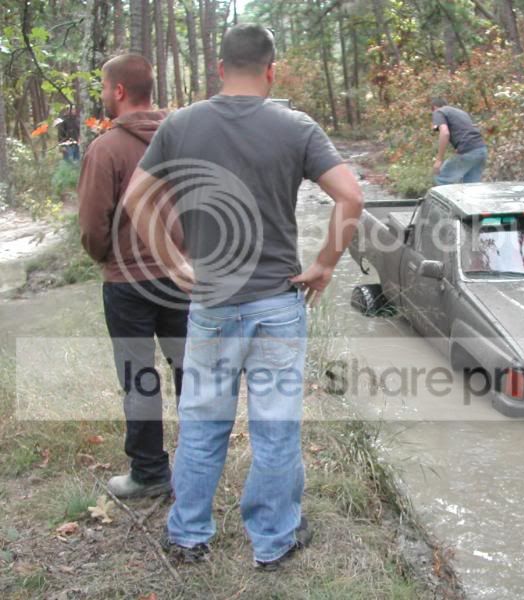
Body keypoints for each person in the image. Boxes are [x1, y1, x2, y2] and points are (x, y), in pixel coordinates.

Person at [122, 24, 363, 568]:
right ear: (271, 70)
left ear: (219, 68)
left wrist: (172, 260)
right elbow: (350, 196)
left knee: (204, 422)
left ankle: (187, 536)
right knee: (275, 427)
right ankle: (274, 542)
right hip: (278, 302)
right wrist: (324, 263)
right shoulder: (295, 127)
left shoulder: (181, 125)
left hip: (210, 302)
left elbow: (136, 197)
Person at [77, 54, 188, 499]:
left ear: (119, 91)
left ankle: (149, 472)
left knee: (139, 376)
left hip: (127, 284)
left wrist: (107, 256)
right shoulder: (184, 141)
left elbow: (90, 224)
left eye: (105, 88)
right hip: (182, 279)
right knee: (190, 374)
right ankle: (199, 467)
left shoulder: (106, 149)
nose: (103, 96)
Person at [431, 97, 488, 185]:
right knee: (471, 187)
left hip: (468, 150)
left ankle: (443, 198)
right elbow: (467, 130)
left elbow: (445, 133)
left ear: (434, 107)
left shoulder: (439, 112)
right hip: (481, 149)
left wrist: (439, 160)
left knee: (441, 178)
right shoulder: (461, 113)